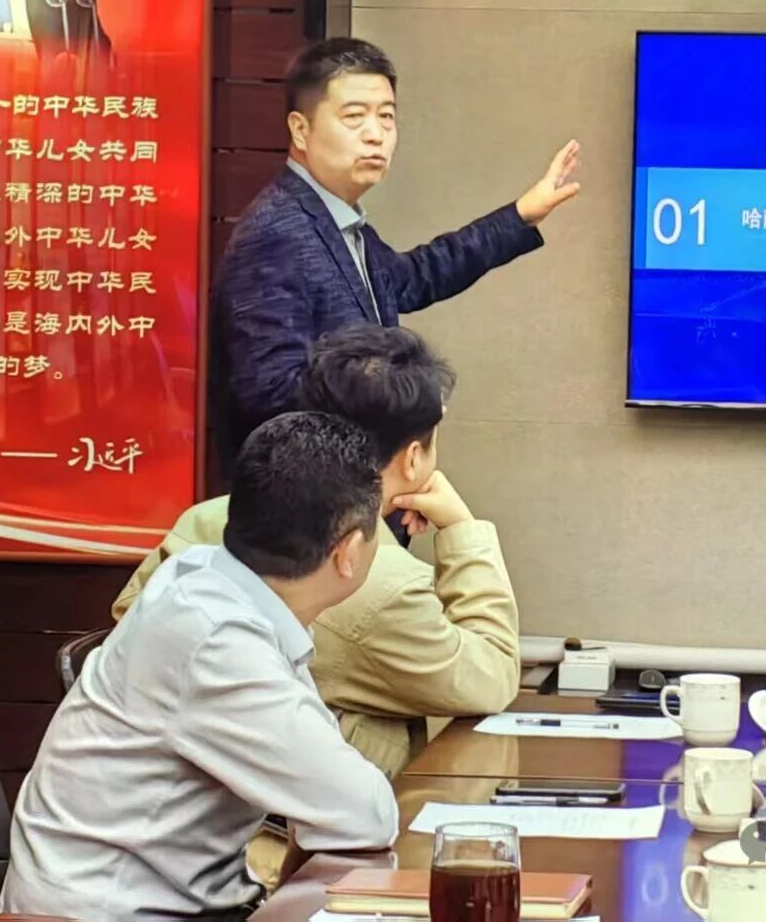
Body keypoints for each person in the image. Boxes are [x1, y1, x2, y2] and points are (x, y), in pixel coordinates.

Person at [0, 412, 398, 921]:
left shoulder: (208, 578)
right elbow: (363, 812)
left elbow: (327, 797)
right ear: (349, 552)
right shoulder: (216, 640)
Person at [114, 325, 519, 776]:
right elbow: (490, 678)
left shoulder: (204, 518)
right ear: (411, 458)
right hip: (297, 810)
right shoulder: (380, 586)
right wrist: (462, 529)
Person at [212, 37, 580, 477]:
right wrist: (401, 390)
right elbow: (269, 391)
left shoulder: (338, 219)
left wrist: (520, 216)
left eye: (386, 116)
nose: (376, 134)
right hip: (304, 503)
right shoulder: (276, 231)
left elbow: (414, 277)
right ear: (300, 129)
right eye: (354, 117)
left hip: (355, 492)